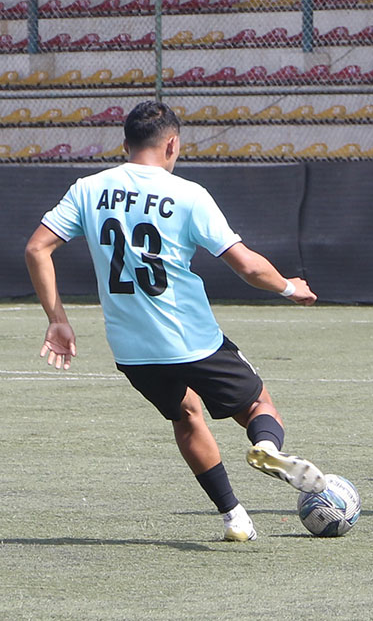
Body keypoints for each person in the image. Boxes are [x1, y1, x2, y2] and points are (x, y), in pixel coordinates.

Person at [25, 101, 327, 542]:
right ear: (172, 144)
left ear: (125, 145)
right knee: (259, 405)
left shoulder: (88, 188)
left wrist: (57, 320)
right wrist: (288, 287)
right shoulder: (188, 194)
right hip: (193, 339)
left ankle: (234, 517)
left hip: (133, 350)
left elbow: (37, 248)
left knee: (185, 416)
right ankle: (265, 448)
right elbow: (246, 265)